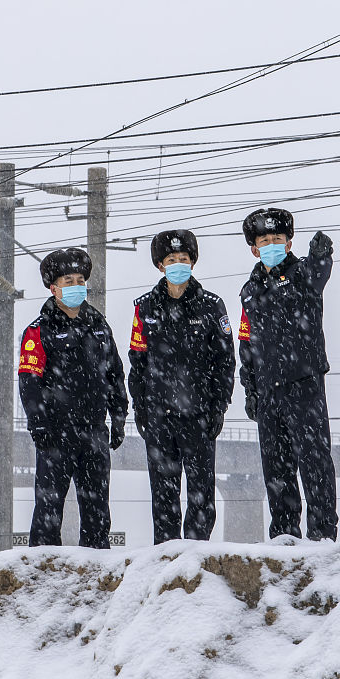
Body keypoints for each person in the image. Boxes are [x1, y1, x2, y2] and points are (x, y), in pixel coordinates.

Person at [128, 229, 235, 543]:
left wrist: (219, 407)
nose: (178, 264)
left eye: (184, 259)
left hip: (198, 416)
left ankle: (195, 556)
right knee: (163, 496)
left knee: (202, 495)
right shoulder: (144, 308)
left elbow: (225, 362)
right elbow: (138, 362)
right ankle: (165, 555)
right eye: (171, 260)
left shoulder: (212, 306)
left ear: (193, 262)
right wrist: (141, 409)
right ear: (160, 265)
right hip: (159, 418)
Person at [237, 207, 338, 541]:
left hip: (304, 385)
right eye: (264, 240)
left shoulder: (302, 273)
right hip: (268, 393)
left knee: (315, 464)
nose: (271, 244)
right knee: (277, 470)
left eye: (277, 239)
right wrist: (250, 388)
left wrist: (322, 255)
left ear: (289, 242)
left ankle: (322, 536)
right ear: (254, 248)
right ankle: (284, 536)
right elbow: (246, 344)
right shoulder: (249, 292)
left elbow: (319, 272)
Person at [18, 247, 128, 548]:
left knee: (97, 511)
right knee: (48, 510)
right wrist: (38, 424)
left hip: (93, 433)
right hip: (55, 435)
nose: (76, 286)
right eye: (68, 281)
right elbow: (29, 382)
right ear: (54, 288)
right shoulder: (37, 332)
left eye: (80, 279)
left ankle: (97, 571)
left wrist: (119, 416)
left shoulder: (100, 327)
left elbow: (114, 373)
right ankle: (40, 569)